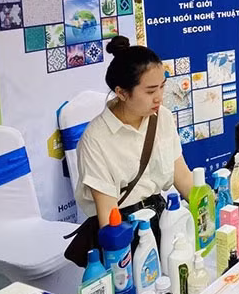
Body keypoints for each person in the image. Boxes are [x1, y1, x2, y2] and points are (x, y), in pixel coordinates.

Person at [76, 36, 194, 228]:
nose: (159, 98)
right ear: (122, 93)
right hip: (124, 228)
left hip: (162, 219)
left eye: (162, 87)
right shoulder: (95, 140)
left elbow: (183, 178)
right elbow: (108, 217)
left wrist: (213, 206)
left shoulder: (162, 117)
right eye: (150, 91)